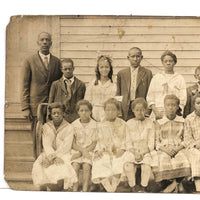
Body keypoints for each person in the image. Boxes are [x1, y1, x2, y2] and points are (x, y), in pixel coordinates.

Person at [21, 32, 62, 157]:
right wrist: (25, 107)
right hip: (35, 107)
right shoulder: (29, 61)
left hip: (52, 107)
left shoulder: (56, 62)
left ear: (51, 43)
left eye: (47, 40)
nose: (45, 42)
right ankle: (37, 164)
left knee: (52, 137)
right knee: (37, 136)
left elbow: (59, 85)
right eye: (42, 40)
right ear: (38, 42)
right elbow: (24, 85)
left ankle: (50, 165)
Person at [32, 103, 77, 191]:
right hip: (48, 154)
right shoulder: (46, 126)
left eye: (59, 113)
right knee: (39, 164)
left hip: (63, 154)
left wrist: (56, 157)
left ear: (63, 114)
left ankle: (57, 189)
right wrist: (51, 157)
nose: (56, 115)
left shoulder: (69, 127)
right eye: (54, 113)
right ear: (51, 115)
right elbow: (46, 144)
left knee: (60, 166)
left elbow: (66, 146)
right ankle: (44, 189)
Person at [152, 95, 190, 193]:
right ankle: (175, 185)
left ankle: (174, 185)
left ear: (177, 107)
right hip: (164, 149)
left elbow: (186, 139)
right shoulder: (159, 122)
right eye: (168, 105)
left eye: (173, 105)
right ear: (164, 106)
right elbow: (157, 142)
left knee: (184, 160)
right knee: (163, 161)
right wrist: (166, 149)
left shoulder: (182, 121)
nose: (170, 107)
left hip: (179, 148)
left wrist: (177, 148)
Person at [92, 98, 129, 192]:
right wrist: (99, 150)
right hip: (105, 151)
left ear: (118, 111)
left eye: (113, 109)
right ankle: (110, 190)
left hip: (119, 151)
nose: (110, 112)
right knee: (100, 162)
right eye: (108, 110)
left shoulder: (123, 124)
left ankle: (111, 188)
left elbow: (126, 139)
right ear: (104, 111)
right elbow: (98, 141)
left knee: (119, 163)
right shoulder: (100, 125)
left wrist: (123, 149)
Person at [124, 98, 156, 192]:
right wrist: (134, 152)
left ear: (145, 110)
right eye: (137, 110)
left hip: (146, 150)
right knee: (128, 165)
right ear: (133, 110)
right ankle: (132, 186)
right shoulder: (129, 123)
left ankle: (143, 186)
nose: (139, 112)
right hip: (132, 150)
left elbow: (151, 142)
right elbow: (128, 142)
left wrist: (143, 153)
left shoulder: (150, 122)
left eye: (142, 110)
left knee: (146, 165)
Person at [147, 50, 187, 120]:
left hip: (174, 112)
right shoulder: (157, 77)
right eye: (165, 61)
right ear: (162, 63)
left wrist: (176, 112)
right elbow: (150, 97)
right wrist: (156, 112)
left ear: (174, 62)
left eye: (170, 61)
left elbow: (183, 98)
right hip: (158, 112)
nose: (168, 63)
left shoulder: (179, 78)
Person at [116, 47, 152, 121]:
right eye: (132, 56)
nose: (135, 59)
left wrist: (147, 111)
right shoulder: (121, 73)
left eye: (138, 56)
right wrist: (119, 111)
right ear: (128, 58)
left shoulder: (147, 73)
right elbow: (118, 94)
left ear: (141, 57)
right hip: (126, 108)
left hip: (140, 108)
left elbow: (150, 93)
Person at [71, 100, 97, 192]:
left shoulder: (95, 125)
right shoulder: (74, 125)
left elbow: (94, 143)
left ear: (90, 111)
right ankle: (75, 188)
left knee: (87, 166)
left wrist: (86, 151)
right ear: (78, 112)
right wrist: (82, 151)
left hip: (90, 150)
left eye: (86, 110)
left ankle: (85, 189)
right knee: (75, 166)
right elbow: (73, 143)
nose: (84, 113)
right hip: (77, 150)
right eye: (81, 110)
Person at [48, 58, 86, 123]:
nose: (68, 71)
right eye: (65, 69)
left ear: (73, 68)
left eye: (70, 69)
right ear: (61, 69)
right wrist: (49, 118)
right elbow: (50, 103)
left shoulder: (80, 84)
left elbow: (83, 103)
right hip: (59, 118)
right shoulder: (55, 84)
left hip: (75, 119)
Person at [84, 55, 116, 122]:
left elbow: (114, 102)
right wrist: (90, 115)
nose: (104, 69)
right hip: (93, 115)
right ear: (98, 69)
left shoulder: (114, 85)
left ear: (110, 69)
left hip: (108, 115)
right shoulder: (92, 84)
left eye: (107, 67)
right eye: (101, 67)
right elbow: (87, 101)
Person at [184, 93, 200, 193]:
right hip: (194, 147)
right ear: (194, 104)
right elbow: (187, 139)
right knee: (197, 155)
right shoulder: (189, 119)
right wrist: (197, 145)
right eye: (199, 103)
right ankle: (198, 187)